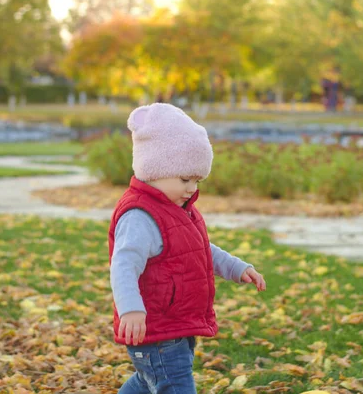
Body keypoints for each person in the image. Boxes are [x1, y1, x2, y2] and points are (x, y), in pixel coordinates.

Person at [109, 103, 267, 393]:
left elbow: (199, 249)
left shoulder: (177, 208)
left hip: (175, 325)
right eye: (185, 179)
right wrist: (130, 309)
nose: (192, 188)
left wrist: (236, 268)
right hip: (156, 330)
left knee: (148, 382)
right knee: (173, 384)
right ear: (155, 170)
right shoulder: (140, 216)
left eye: (197, 180)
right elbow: (123, 265)